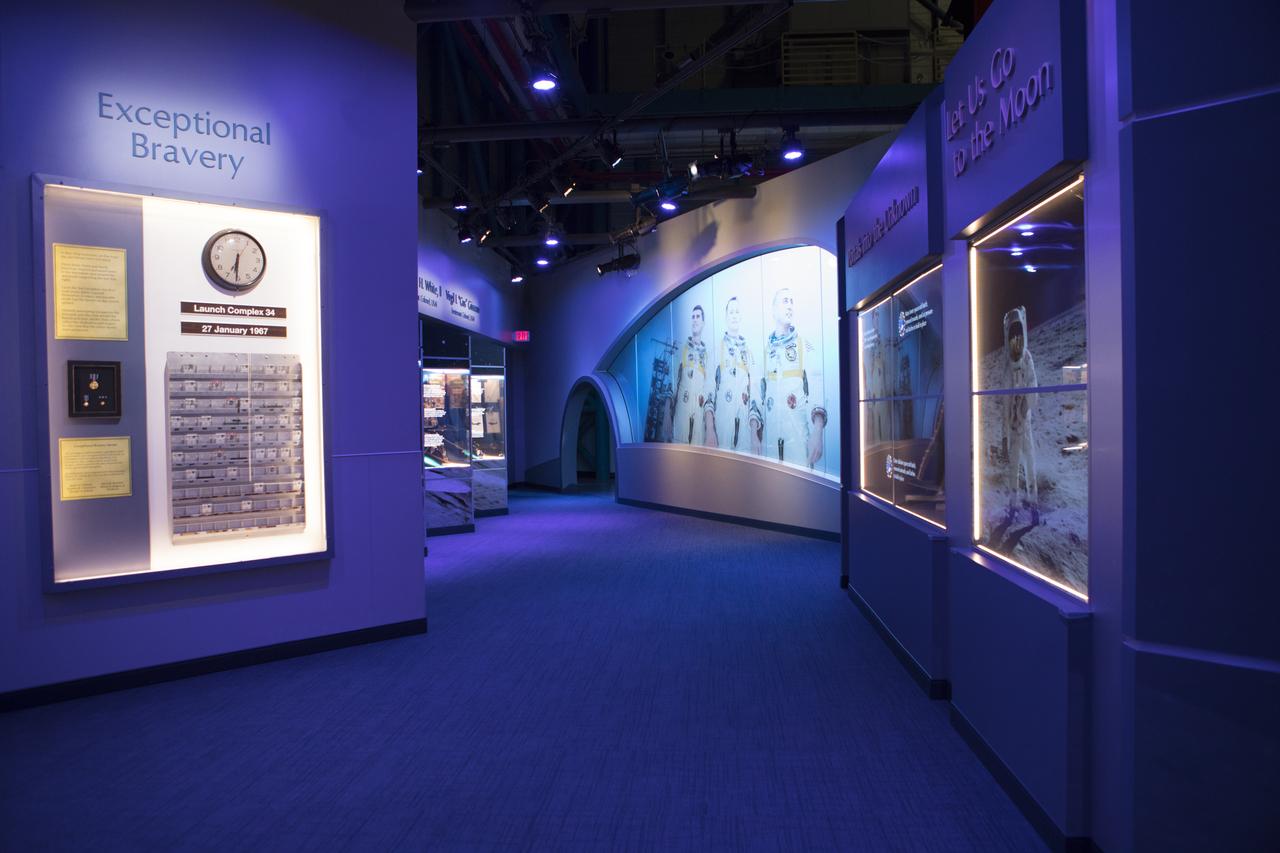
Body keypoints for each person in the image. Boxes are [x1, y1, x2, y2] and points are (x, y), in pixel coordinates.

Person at [757, 288, 826, 467]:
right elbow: (757, 398)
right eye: (785, 301)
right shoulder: (764, 352)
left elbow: (818, 388)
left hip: (797, 441)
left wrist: (817, 433)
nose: (789, 306)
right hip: (770, 442)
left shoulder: (804, 346)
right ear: (773, 309)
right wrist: (753, 435)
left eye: (791, 302)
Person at [704, 297, 760, 453]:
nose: (734, 315)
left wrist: (754, 435)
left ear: (741, 316)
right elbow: (708, 391)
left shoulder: (748, 354)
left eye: (737, 312)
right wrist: (710, 430)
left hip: (745, 435)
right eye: (731, 312)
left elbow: (755, 395)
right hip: (720, 430)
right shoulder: (717, 350)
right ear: (726, 317)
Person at [1001, 305, 1039, 523]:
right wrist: (1004, 437)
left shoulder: (1027, 360)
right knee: (1013, 466)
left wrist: (1025, 405)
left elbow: (1033, 385)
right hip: (1014, 427)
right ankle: (1013, 504)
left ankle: (1033, 501)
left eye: (1018, 334)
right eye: (1012, 335)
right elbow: (1004, 404)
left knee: (1030, 463)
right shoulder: (1007, 367)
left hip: (1025, 425)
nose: (1016, 339)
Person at [670, 304, 709, 445]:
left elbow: (708, 386)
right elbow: (673, 383)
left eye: (698, 316)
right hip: (681, 414)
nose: (695, 320)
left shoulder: (706, 354)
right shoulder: (683, 349)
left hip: (698, 419)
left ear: (703, 322)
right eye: (692, 317)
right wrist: (668, 418)